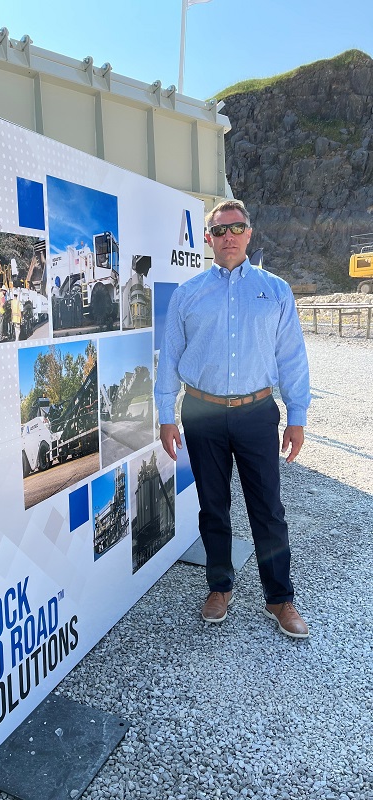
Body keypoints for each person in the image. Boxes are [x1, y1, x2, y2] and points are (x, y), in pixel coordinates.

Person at [155, 199, 311, 639]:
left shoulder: (276, 290)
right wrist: (166, 414)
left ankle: (279, 599)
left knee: (268, 509)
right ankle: (219, 587)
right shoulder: (188, 294)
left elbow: (292, 358)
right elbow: (170, 358)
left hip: (257, 412)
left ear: (249, 233)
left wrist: (296, 416)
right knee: (213, 507)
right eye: (219, 230)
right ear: (208, 238)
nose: (228, 236)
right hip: (201, 412)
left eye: (236, 228)